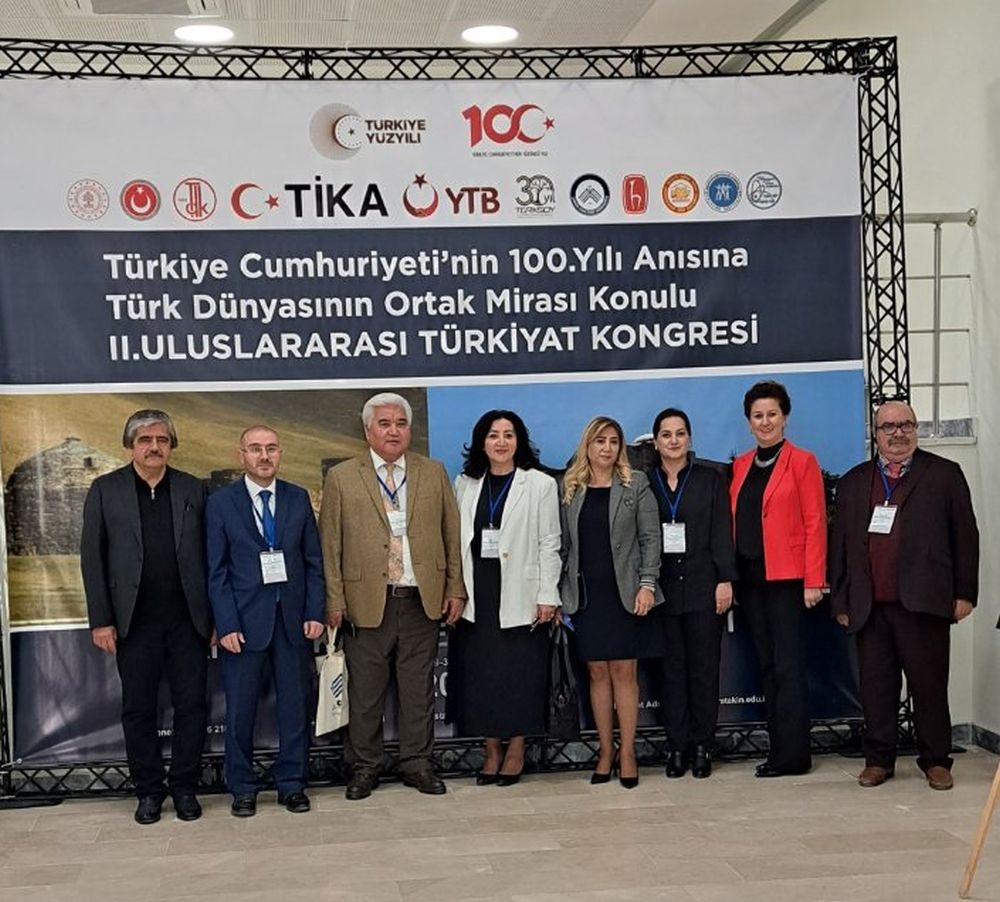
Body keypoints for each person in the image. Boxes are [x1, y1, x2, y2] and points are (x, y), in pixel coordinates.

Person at [319, 392, 465, 800]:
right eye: (384, 424)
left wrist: (455, 587)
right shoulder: (343, 477)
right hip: (365, 601)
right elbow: (330, 544)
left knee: (418, 691)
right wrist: (334, 600)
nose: (393, 431)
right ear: (368, 430)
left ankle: (417, 763)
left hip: (421, 599)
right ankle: (364, 767)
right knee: (365, 693)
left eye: (400, 423)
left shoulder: (433, 472)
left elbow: (451, 534)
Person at [830, 400, 978, 790]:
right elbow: (840, 545)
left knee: (929, 686)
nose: (898, 433)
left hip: (925, 603)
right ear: (875, 433)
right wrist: (841, 599)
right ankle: (879, 760)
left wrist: (965, 593)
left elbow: (966, 537)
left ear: (916, 428)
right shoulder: (853, 481)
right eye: (889, 427)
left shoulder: (945, 475)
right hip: (869, 605)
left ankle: (936, 761)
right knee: (876, 688)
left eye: (906, 425)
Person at [80, 409, 211, 825]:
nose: (154, 447)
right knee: (138, 709)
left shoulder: (193, 489)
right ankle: (149, 792)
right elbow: (92, 559)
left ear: (171, 446)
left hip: (189, 621)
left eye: (162, 440)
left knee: (193, 706)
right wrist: (101, 620)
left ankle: (185, 788)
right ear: (130, 446)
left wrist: (215, 620)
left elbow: (212, 557)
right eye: (145, 440)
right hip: (133, 623)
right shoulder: (105, 490)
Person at [205, 425, 325, 816]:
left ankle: (292, 784)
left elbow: (313, 561)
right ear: (241, 455)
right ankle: (242, 787)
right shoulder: (221, 503)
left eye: (271, 448)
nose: (264, 456)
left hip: (292, 622)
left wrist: (314, 612)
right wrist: (226, 624)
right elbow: (216, 571)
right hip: (243, 624)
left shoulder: (297, 497)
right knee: (240, 712)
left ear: (280, 453)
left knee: (295, 708)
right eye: (255, 449)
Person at [449, 410, 561, 786]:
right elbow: (455, 542)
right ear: (481, 442)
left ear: (519, 441)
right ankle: (491, 749)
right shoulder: (465, 483)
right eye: (493, 435)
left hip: (521, 593)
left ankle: (516, 748)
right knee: (482, 676)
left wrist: (547, 594)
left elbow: (550, 543)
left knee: (519, 675)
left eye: (508, 435)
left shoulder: (540, 484)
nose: (501, 442)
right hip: (477, 591)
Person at [559, 416, 662, 789]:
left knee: (623, 672)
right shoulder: (570, 488)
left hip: (626, 594)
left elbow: (651, 539)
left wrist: (647, 584)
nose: (607, 448)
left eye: (613, 441)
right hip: (586, 597)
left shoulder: (636, 483)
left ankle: (628, 752)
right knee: (597, 673)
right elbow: (563, 546)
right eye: (599, 441)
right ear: (587, 446)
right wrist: (557, 594)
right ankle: (605, 751)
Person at [730, 380, 826, 778]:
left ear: (785, 418)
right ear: (748, 422)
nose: (765, 422)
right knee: (767, 666)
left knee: (787, 666)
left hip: (787, 579)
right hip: (750, 579)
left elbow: (815, 522)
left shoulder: (803, 461)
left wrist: (814, 580)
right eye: (758, 415)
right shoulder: (741, 465)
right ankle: (777, 749)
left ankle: (794, 756)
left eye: (772, 414)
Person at [648, 408, 737, 779]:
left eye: (680, 433)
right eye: (666, 434)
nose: (673, 440)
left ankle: (702, 746)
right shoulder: (644, 482)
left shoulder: (709, 479)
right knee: (671, 674)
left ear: (689, 438)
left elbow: (722, 531)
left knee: (703, 671)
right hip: (662, 592)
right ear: (655, 442)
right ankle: (677, 747)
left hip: (703, 586)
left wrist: (725, 579)